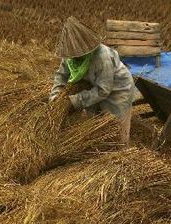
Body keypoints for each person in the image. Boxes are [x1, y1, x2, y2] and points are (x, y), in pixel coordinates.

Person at [50, 16, 138, 146]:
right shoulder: (71, 56)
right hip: (93, 86)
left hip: (118, 89)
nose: (75, 58)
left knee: (114, 125)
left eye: (79, 54)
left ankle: (121, 150)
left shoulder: (102, 57)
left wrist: (75, 100)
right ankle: (100, 147)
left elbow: (103, 90)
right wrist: (55, 96)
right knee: (95, 119)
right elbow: (61, 75)